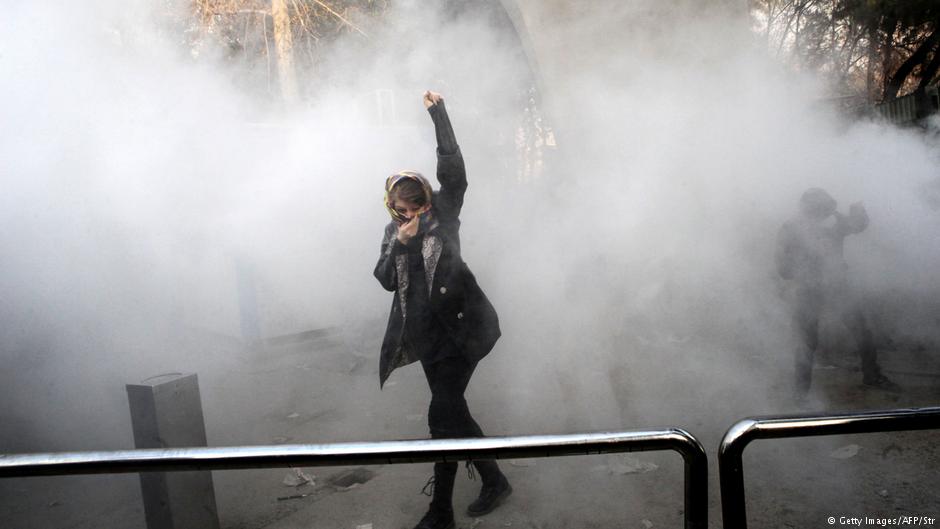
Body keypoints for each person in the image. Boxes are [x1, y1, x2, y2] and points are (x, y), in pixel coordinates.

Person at [374, 91, 511, 529]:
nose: (409, 218)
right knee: (455, 413)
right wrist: (401, 243)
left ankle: (440, 512)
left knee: (442, 417)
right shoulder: (393, 233)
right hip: (427, 340)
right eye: (401, 212)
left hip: (464, 335)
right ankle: (494, 480)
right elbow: (384, 279)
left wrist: (439, 114)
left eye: (416, 210)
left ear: (428, 204)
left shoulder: (445, 214)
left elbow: (455, 176)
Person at [775, 188, 900, 400]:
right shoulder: (791, 228)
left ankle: (871, 376)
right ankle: (800, 393)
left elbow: (857, 226)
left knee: (861, 332)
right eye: (822, 209)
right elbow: (783, 269)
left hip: (837, 286)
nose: (827, 213)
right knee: (806, 341)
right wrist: (805, 269)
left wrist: (859, 212)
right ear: (810, 208)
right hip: (810, 290)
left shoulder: (832, 222)